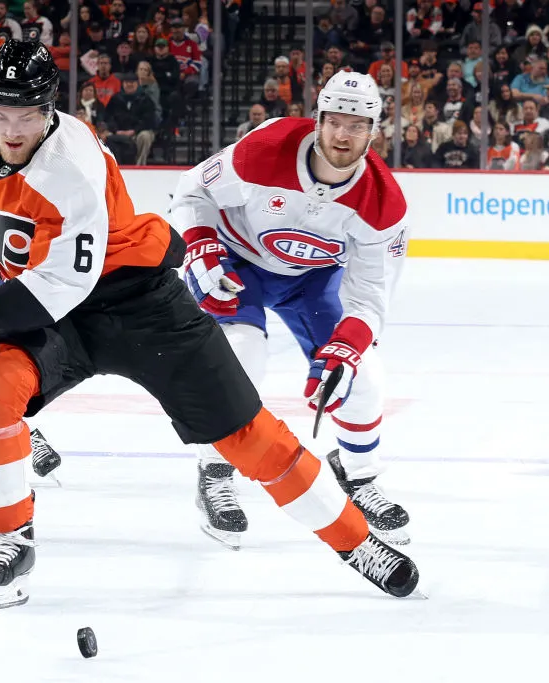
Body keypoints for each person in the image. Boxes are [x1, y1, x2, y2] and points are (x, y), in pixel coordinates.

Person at [0, 41, 420, 610]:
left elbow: (63, 286)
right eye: (1, 114)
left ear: (51, 110)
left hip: (132, 298)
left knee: (247, 434)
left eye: (28, 116)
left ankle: (357, 542)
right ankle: (11, 538)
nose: (13, 129)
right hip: (53, 303)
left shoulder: (72, 167)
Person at [170, 71, 413, 550]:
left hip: (314, 281)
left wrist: (347, 347)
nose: (343, 135)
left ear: (374, 130)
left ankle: (359, 475)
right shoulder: (267, 148)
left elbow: (371, 298)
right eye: (335, 121)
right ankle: (215, 469)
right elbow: (191, 190)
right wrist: (199, 247)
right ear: (318, 119)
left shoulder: (384, 203)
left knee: (360, 375)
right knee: (239, 358)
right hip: (240, 264)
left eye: (357, 124)